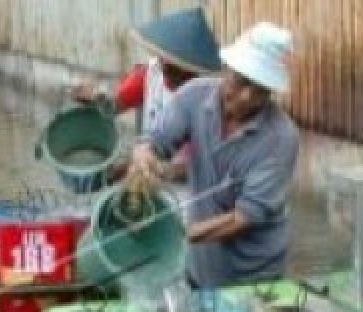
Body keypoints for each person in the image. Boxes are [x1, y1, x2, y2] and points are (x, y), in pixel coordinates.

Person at [130, 21, 299, 290]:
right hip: (202, 267)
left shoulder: (280, 138)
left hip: (256, 277)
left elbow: (244, 217)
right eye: (240, 81)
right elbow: (154, 143)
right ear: (227, 70)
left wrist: (178, 234)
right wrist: (144, 158)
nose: (245, 97)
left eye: (260, 90)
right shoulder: (193, 97)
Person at [72, 8, 220, 139]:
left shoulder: (206, 95)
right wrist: (97, 98)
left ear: (192, 70)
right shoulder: (150, 74)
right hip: (146, 157)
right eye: (164, 61)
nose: (166, 69)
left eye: (175, 67)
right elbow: (115, 105)